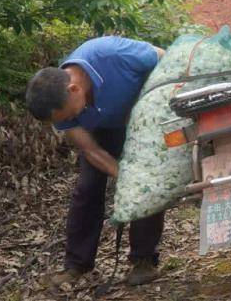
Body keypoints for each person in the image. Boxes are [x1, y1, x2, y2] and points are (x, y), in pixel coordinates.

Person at [26, 36, 167, 288]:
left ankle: (143, 261)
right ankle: (76, 266)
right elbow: (90, 150)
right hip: (103, 129)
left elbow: (162, 58)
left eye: (70, 115)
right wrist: (123, 175)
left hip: (144, 117)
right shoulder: (60, 102)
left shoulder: (113, 54)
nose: (69, 120)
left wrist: (153, 103)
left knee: (147, 181)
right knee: (87, 187)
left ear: (74, 89)